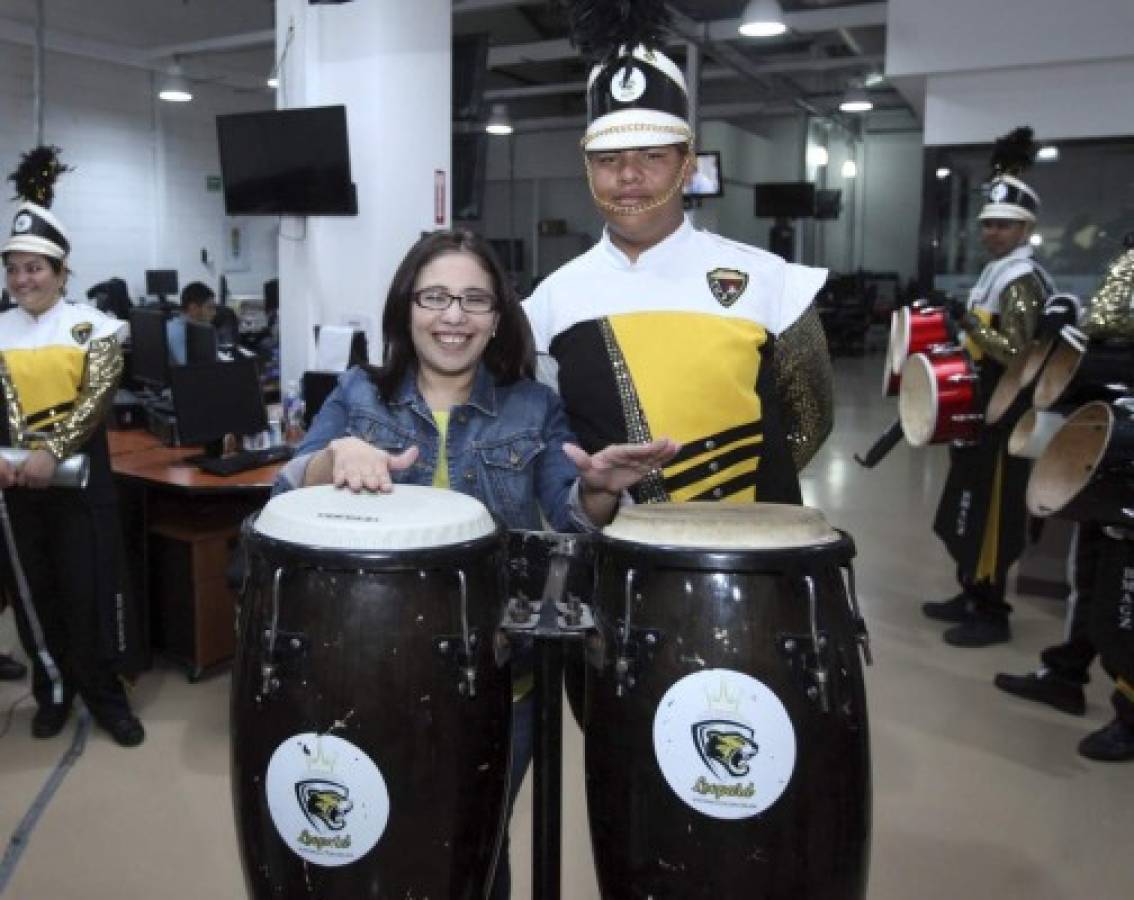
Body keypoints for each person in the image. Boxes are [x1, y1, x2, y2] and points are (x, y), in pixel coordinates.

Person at [273, 228, 679, 897]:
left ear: (498, 319)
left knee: (477, 845)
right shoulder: (358, 395)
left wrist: (601, 488)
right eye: (434, 297)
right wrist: (332, 456)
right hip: (365, 673)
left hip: (500, 683)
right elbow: (281, 494)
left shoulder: (533, 406)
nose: (453, 316)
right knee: (381, 841)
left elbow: (568, 508)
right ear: (408, 308)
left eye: (473, 300)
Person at [524, 6, 833, 508]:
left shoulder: (771, 281)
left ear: (687, 166)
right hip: (614, 562)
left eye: (652, 156)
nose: (628, 176)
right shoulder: (550, 301)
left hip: (751, 559)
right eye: (608, 160)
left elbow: (809, 421)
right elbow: (551, 440)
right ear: (588, 170)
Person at [0, 145, 143, 746]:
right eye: (15, 268)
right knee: (37, 597)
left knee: (90, 590)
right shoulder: (0, 329)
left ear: (62, 272)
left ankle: (105, 695)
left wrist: (49, 452)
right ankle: (53, 686)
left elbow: (95, 401)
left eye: (36, 267)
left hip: (82, 486)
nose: (24, 279)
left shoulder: (97, 327)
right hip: (15, 490)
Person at [922, 126, 1054, 647]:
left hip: (1004, 413)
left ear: (1025, 229)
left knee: (992, 510)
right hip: (978, 409)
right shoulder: (996, 272)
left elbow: (1019, 354)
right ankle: (969, 588)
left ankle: (991, 608)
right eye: (989, 224)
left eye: (1005, 225)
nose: (993, 233)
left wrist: (970, 325)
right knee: (964, 505)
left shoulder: (1021, 279)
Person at [165, 280, 217, 365]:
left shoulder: (179, 325)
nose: (214, 313)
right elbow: (190, 368)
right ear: (193, 308)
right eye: (210, 308)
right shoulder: (178, 332)